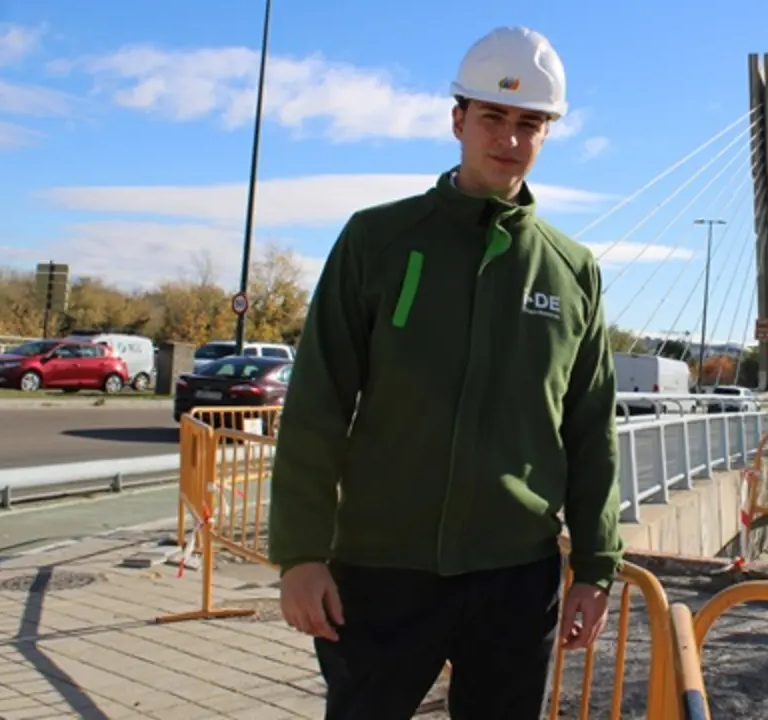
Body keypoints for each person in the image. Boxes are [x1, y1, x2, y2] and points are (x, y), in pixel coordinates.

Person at [266, 25, 625, 720]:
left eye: (529, 123)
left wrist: (597, 566)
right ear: (458, 119)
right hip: (379, 570)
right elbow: (316, 405)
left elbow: (590, 428)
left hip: (516, 577)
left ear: (547, 134)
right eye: (493, 116)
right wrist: (301, 556)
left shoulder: (572, 270)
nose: (510, 139)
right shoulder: (377, 241)